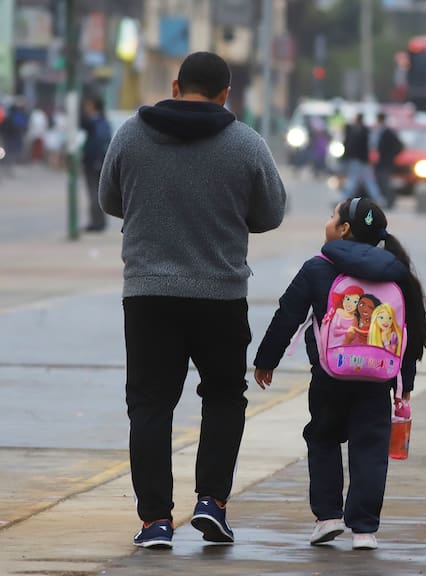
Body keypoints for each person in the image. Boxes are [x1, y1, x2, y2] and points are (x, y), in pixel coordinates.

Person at [98, 51, 287, 549]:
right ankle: (212, 504)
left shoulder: (130, 134)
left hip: (147, 295)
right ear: (227, 93)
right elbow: (271, 213)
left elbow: (109, 200)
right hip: (220, 295)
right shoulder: (245, 143)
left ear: (177, 86)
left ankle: (155, 521)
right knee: (224, 396)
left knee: (150, 404)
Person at [253, 196, 426, 551]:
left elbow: (287, 315)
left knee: (322, 438)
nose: (329, 221)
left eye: (332, 216)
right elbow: (409, 330)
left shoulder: (318, 267)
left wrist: (266, 359)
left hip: (329, 377)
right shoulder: (396, 270)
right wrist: (405, 384)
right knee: (370, 448)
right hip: (378, 379)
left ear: (344, 229)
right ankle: (364, 531)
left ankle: (328, 518)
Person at [80, 94, 112, 232]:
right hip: (95, 161)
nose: (86, 107)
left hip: (95, 162)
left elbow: (100, 143)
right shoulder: (97, 122)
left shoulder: (98, 122)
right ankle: (98, 221)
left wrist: (97, 160)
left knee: (95, 193)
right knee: (95, 193)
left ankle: (98, 223)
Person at [340, 113, 385, 205]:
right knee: (368, 181)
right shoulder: (365, 131)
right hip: (363, 161)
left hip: (359, 161)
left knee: (354, 180)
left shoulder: (359, 131)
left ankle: (344, 199)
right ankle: (379, 199)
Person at [373, 112, 404, 209]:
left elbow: (399, 145)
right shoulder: (380, 131)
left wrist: (391, 155)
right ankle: (386, 199)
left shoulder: (387, 132)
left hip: (386, 161)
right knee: (380, 181)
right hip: (381, 161)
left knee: (385, 181)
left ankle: (390, 200)